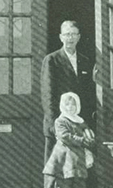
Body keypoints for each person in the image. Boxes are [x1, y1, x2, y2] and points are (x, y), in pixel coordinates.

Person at [41, 21, 95, 164]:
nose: (70, 38)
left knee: (78, 170)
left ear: (79, 37)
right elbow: (48, 95)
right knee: (56, 170)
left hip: (78, 125)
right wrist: (54, 125)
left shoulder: (85, 61)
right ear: (60, 37)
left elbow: (88, 93)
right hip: (59, 124)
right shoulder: (52, 60)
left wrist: (86, 124)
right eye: (66, 34)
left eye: (73, 34)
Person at [43, 92, 95, 188]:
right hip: (64, 156)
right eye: (67, 104)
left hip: (77, 158)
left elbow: (87, 131)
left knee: (77, 181)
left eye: (73, 104)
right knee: (64, 181)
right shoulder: (61, 121)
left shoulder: (80, 120)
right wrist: (82, 140)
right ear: (63, 106)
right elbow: (65, 136)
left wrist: (89, 136)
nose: (70, 107)